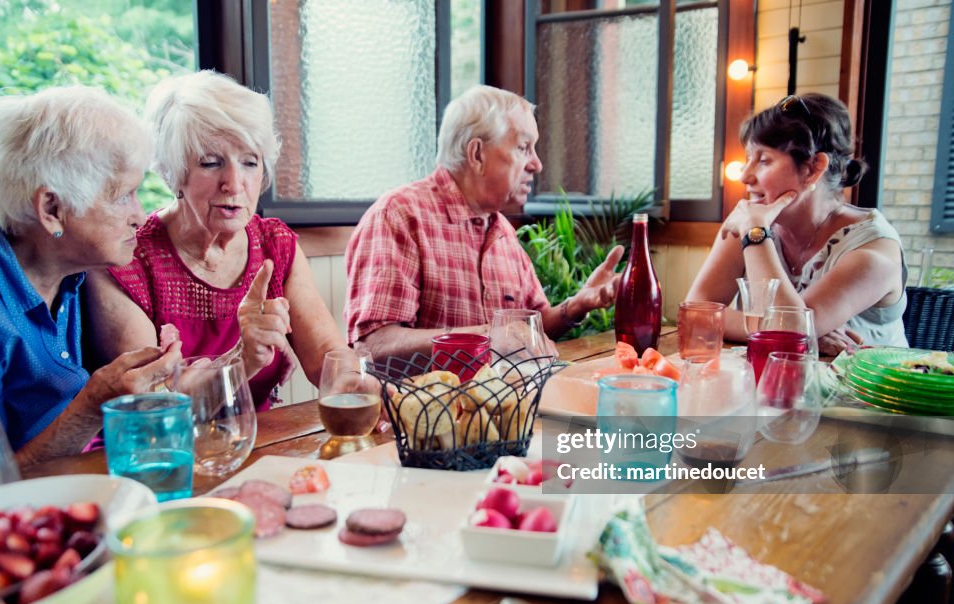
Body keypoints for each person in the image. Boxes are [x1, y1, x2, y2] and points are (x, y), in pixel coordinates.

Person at [0, 86, 181, 466]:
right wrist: (92, 405)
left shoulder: (74, 261)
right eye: (123, 196)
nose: (140, 215)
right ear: (51, 209)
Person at [87, 70, 346, 410]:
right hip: (158, 453)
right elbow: (152, 404)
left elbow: (326, 358)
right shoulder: (127, 260)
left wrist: (358, 381)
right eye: (211, 163)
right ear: (173, 172)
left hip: (254, 443)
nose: (235, 183)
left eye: (250, 162)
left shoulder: (274, 245)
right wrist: (241, 360)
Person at [344, 84, 624, 361]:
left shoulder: (502, 230)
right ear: (477, 154)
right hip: (425, 405)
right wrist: (488, 336)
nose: (537, 164)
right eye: (524, 147)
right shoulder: (399, 216)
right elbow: (372, 345)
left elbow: (531, 329)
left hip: (505, 403)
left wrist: (576, 305)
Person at [686, 93, 907, 354]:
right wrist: (801, 332)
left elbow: (787, 333)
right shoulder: (751, 222)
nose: (745, 176)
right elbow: (695, 314)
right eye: (748, 159)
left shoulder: (874, 253)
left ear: (813, 168)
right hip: (778, 387)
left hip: (870, 393)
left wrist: (794, 331)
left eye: (764, 160)